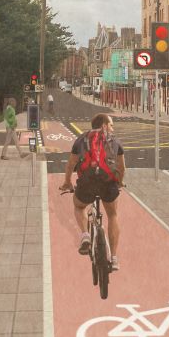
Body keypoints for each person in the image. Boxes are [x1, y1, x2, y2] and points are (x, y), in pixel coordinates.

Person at [60, 113, 126, 270]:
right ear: (103, 125)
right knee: (113, 215)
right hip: (107, 184)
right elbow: (121, 167)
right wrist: (119, 182)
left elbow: (70, 164)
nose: (112, 128)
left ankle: (85, 235)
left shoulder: (82, 139)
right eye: (111, 125)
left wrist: (67, 182)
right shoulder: (114, 141)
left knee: (79, 205)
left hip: (87, 183)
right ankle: (115, 258)